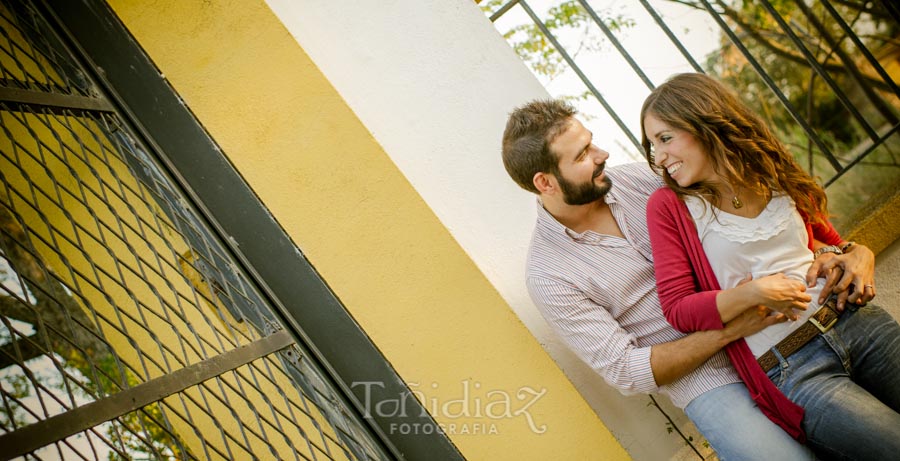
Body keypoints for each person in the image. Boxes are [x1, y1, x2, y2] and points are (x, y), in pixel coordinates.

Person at [501, 98, 875, 460]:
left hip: (773, 333)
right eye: (582, 155)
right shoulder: (549, 274)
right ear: (545, 183)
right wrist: (729, 330)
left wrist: (842, 248)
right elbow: (625, 370)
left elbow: (758, 209)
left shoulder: (643, 179)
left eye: (591, 142)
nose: (602, 154)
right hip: (709, 380)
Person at [642, 72, 900, 460]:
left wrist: (858, 252)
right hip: (792, 368)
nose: (658, 156)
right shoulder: (670, 207)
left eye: (665, 138)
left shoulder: (767, 164)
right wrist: (752, 293)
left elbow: (829, 239)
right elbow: (678, 309)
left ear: (704, 122)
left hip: (855, 320)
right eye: (651, 144)